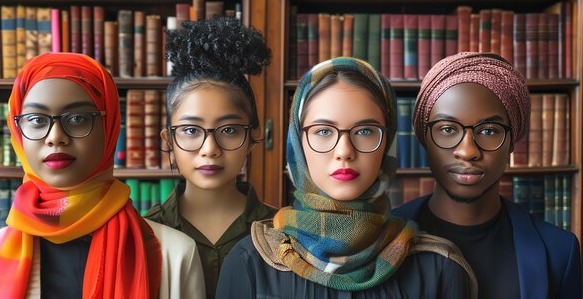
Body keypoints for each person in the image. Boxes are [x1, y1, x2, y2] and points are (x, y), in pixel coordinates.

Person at [216, 57, 477, 298]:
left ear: (388, 143)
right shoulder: (250, 261)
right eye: (323, 131)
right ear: (298, 142)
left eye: (365, 131)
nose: (344, 152)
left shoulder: (439, 266)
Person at [0, 52, 205, 298]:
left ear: (108, 130)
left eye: (77, 118)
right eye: (36, 119)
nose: (55, 136)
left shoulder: (175, 255)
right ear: (17, 129)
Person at [394, 52, 582, 299]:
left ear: (512, 142)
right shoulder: (379, 241)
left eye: (489, 130)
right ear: (424, 138)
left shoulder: (559, 250)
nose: (468, 151)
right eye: (448, 129)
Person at [144, 17, 277, 298]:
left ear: (252, 138)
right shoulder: (143, 234)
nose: (209, 148)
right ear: (169, 140)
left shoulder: (283, 233)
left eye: (228, 130)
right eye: (191, 130)